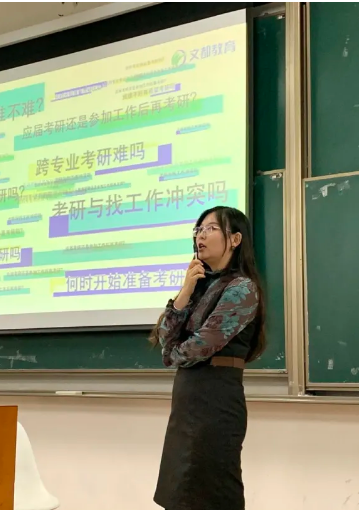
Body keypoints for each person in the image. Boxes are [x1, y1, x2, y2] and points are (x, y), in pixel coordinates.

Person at [151, 206, 266, 510]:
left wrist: (172, 353)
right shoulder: (201, 287)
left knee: (211, 491)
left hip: (216, 399)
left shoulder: (241, 288)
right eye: (198, 229)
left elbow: (201, 345)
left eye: (211, 228)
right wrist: (185, 289)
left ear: (235, 239)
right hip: (187, 399)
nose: (201, 235)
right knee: (179, 493)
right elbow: (165, 337)